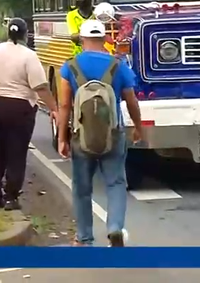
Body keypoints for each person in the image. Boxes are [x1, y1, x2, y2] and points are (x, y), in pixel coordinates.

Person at [56, 19, 143, 247]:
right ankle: (114, 227)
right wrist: (138, 127)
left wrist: (61, 138)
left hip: (81, 135)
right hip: (113, 134)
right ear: (105, 39)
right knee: (115, 183)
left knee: (82, 188)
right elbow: (131, 100)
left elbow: (64, 105)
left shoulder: (71, 66)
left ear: (83, 39)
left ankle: (85, 238)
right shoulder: (118, 65)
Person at [0, 18, 59, 211]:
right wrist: (54, 108)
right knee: (16, 153)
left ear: (8, 33)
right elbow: (40, 86)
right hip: (19, 110)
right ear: (24, 34)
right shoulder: (29, 56)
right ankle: (11, 197)